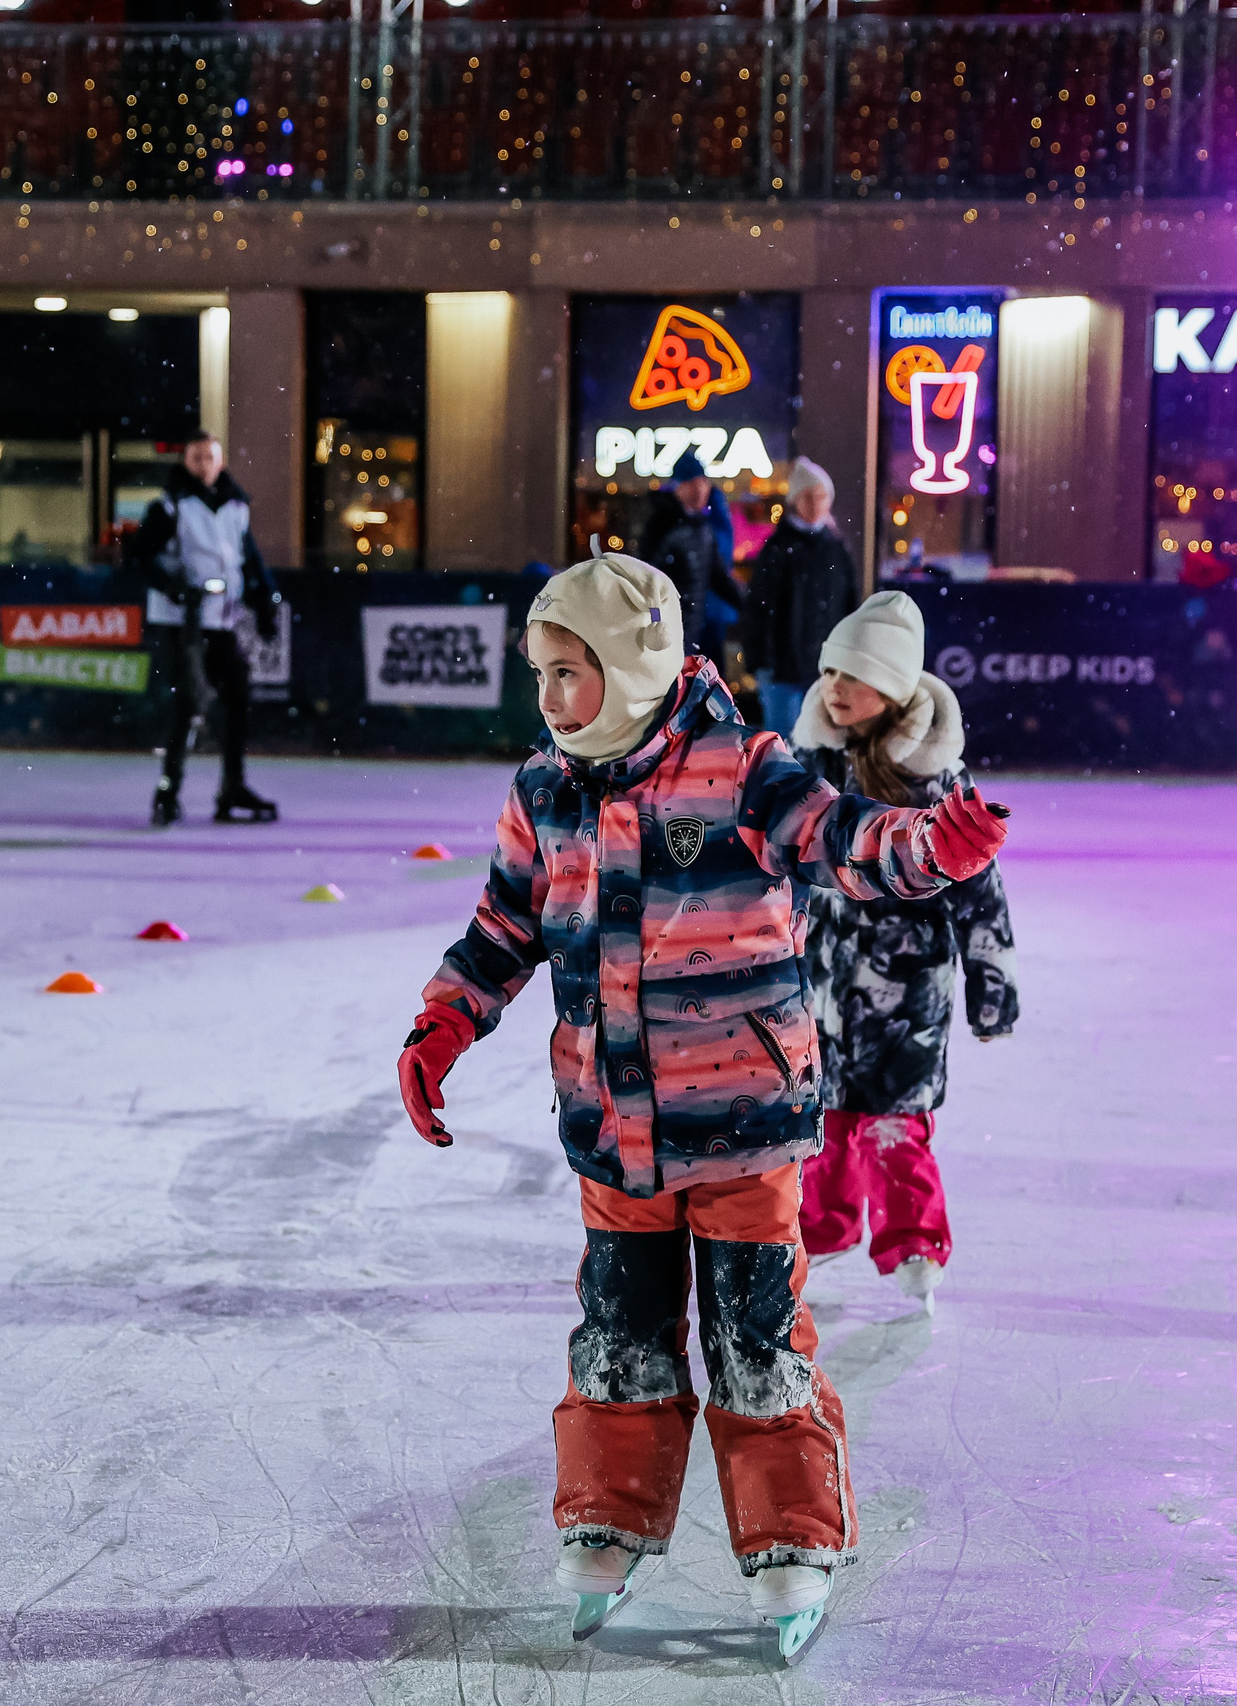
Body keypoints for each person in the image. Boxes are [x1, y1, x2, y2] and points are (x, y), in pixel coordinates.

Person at [393, 553, 1009, 1656]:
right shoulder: (545, 790)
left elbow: (848, 843)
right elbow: (501, 926)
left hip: (745, 1123)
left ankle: (791, 1537)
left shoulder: (745, 770)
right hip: (611, 1126)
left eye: (569, 673)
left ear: (630, 666)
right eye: (538, 674)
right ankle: (608, 1519)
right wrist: (445, 1020)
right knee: (619, 1334)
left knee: (755, 1337)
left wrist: (930, 849)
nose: (548, 698)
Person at [788, 592, 1016, 1310]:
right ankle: (819, 1233)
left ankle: (914, 1242)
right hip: (821, 982)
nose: (835, 688)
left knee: (895, 1126)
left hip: (908, 989)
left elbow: (981, 893)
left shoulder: (938, 781)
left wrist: (992, 983)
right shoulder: (807, 768)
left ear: (891, 688)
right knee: (820, 1122)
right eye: (829, 673)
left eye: (853, 676)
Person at [131, 432, 284, 826]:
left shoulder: (235, 505)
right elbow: (140, 556)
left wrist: (264, 600)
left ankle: (232, 785)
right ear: (185, 461)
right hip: (183, 622)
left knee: (237, 696)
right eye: (196, 457)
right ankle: (169, 789)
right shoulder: (169, 507)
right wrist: (174, 587)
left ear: (221, 461)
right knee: (188, 702)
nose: (203, 465)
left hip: (221, 619)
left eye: (209, 457)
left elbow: (247, 559)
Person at [741, 457, 860, 735]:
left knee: (820, 746)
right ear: (795, 500)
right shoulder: (778, 549)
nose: (815, 503)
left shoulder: (836, 549)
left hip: (825, 670)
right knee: (784, 747)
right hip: (782, 670)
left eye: (821, 496)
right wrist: (762, 661)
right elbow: (760, 609)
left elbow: (849, 607)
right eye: (808, 496)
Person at [640, 451, 727, 653]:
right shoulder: (661, 525)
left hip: (694, 631)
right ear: (678, 487)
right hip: (665, 633)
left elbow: (717, 575)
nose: (700, 490)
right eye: (692, 484)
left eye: (703, 483)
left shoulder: (703, 527)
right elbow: (646, 578)